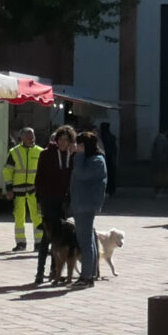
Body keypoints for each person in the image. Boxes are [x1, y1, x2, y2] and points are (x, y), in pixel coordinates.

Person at [67, 122, 110, 285]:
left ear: (85, 146)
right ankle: (90, 273)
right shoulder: (91, 159)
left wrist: (78, 155)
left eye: (78, 144)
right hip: (82, 203)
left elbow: (81, 174)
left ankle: (86, 276)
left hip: (86, 204)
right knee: (89, 238)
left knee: (84, 241)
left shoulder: (96, 160)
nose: (75, 147)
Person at [32, 127, 76, 284]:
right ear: (56, 140)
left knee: (60, 239)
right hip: (48, 200)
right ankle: (39, 271)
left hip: (63, 201)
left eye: (67, 140)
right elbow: (39, 178)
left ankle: (54, 271)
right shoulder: (46, 154)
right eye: (61, 139)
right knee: (47, 236)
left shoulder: (72, 156)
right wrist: (39, 198)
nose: (63, 143)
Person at [4, 127, 43, 252]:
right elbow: (7, 171)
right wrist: (9, 189)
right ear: (22, 138)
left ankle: (39, 242)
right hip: (18, 190)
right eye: (28, 137)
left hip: (34, 190)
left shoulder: (41, 152)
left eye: (32, 136)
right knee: (19, 217)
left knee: (37, 217)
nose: (31, 139)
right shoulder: (14, 152)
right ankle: (21, 243)